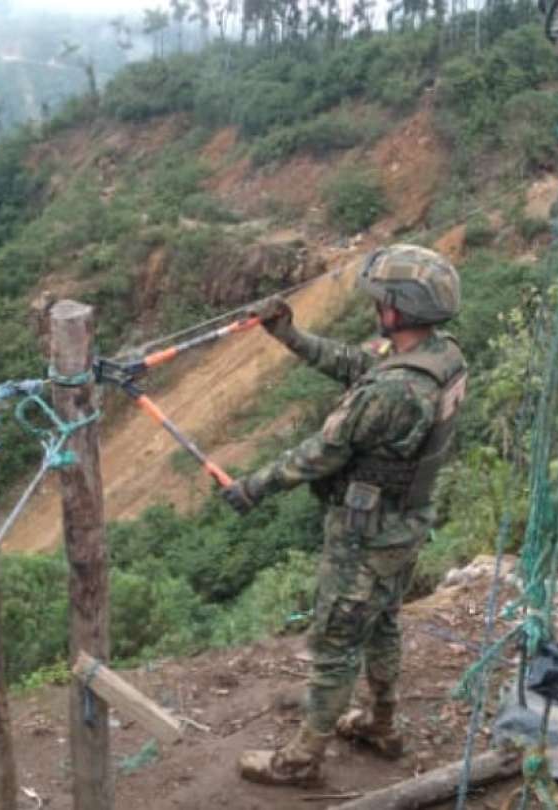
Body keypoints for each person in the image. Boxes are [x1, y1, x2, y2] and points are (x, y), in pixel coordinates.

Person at [222, 244, 468, 787]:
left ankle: (301, 759)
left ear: (397, 309)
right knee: (381, 623)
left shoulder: (396, 390)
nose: (375, 306)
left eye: (381, 299)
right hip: (406, 523)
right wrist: (289, 334)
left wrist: (252, 488)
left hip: (368, 533)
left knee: (335, 642)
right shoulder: (439, 356)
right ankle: (382, 725)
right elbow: (357, 365)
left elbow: (321, 453)